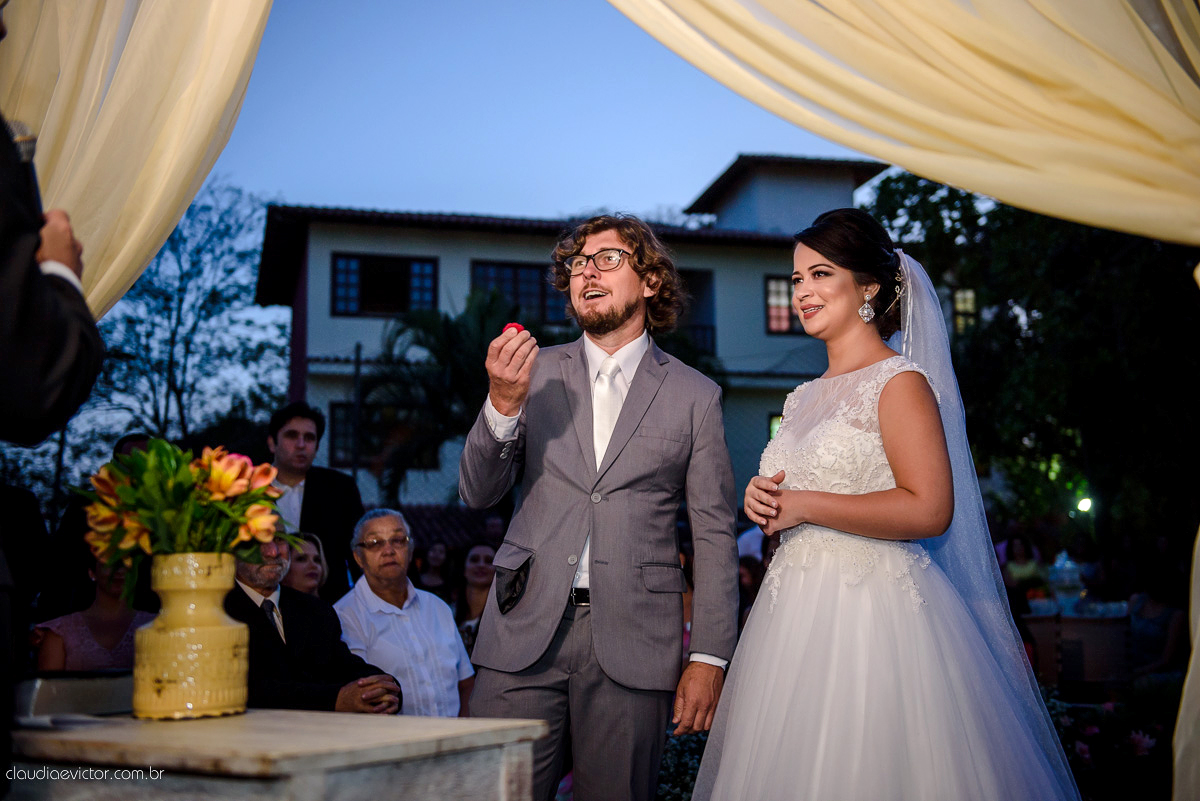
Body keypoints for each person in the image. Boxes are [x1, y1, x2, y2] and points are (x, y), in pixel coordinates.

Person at [693, 209, 1079, 800]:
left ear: (868, 287)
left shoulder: (900, 383)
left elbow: (929, 510)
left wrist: (805, 503)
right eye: (796, 280)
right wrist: (763, 501)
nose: (803, 292)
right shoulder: (799, 400)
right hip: (791, 619)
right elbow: (792, 505)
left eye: (820, 275)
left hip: (878, 617)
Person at [459, 214, 739, 801]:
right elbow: (477, 492)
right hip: (521, 631)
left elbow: (714, 535)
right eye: (577, 264)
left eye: (607, 259)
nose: (586, 271)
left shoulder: (696, 395)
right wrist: (502, 405)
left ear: (651, 280)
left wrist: (709, 656)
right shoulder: (529, 376)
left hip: (637, 642)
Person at [224, 535, 401, 713]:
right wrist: (335, 699)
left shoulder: (316, 611)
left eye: (278, 539)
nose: (273, 551)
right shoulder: (216, 609)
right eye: (257, 541)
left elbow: (342, 666)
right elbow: (250, 688)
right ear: (229, 549)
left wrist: (385, 688)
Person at [335, 510, 474, 717]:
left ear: (410, 550)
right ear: (358, 557)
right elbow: (360, 695)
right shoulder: (344, 615)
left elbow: (466, 684)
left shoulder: (437, 607)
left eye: (398, 540)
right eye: (375, 543)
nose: (388, 550)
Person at [266, 402, 364, 602]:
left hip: (328, 604)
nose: (301, 444)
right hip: (262, 605)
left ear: (317, 446)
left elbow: (358, 554)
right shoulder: (248, 488)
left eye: (309, 438)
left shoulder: (340, 489)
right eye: (292, 435)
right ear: (272, 443)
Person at [34, 559, 153, 671]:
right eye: (109, 563)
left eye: (127, 563)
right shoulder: (60, 632)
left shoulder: (156, 625)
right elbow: (48, 690)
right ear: (92, 572)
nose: (119, 571)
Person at [454, 542, 496, 656]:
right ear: (464, 567)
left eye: (488, 561)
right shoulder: (446, 613)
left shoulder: (505, 620)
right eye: (474, 559)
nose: (481, 565)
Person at [281, 532, 327, 597]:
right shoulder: (271, 606)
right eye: (302, 559)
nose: (313, 565)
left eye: (317, 560)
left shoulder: (328, 607)